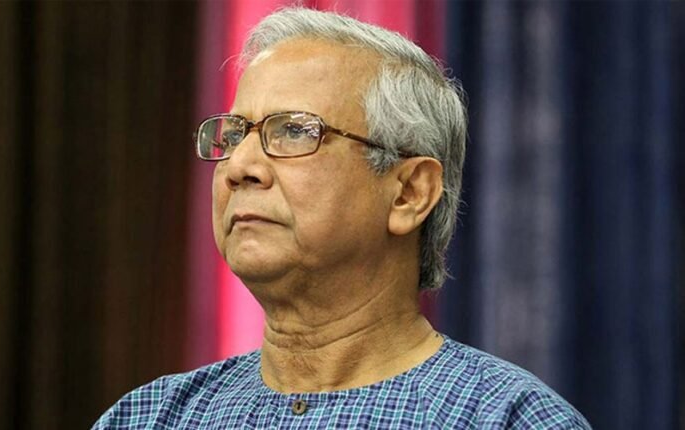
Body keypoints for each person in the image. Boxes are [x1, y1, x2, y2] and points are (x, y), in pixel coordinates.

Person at [93, 7, 591, 429]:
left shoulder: (506, 418)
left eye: (293, 131)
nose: (240, 166)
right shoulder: (151, 417)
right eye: (235, 134)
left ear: (409, 193)